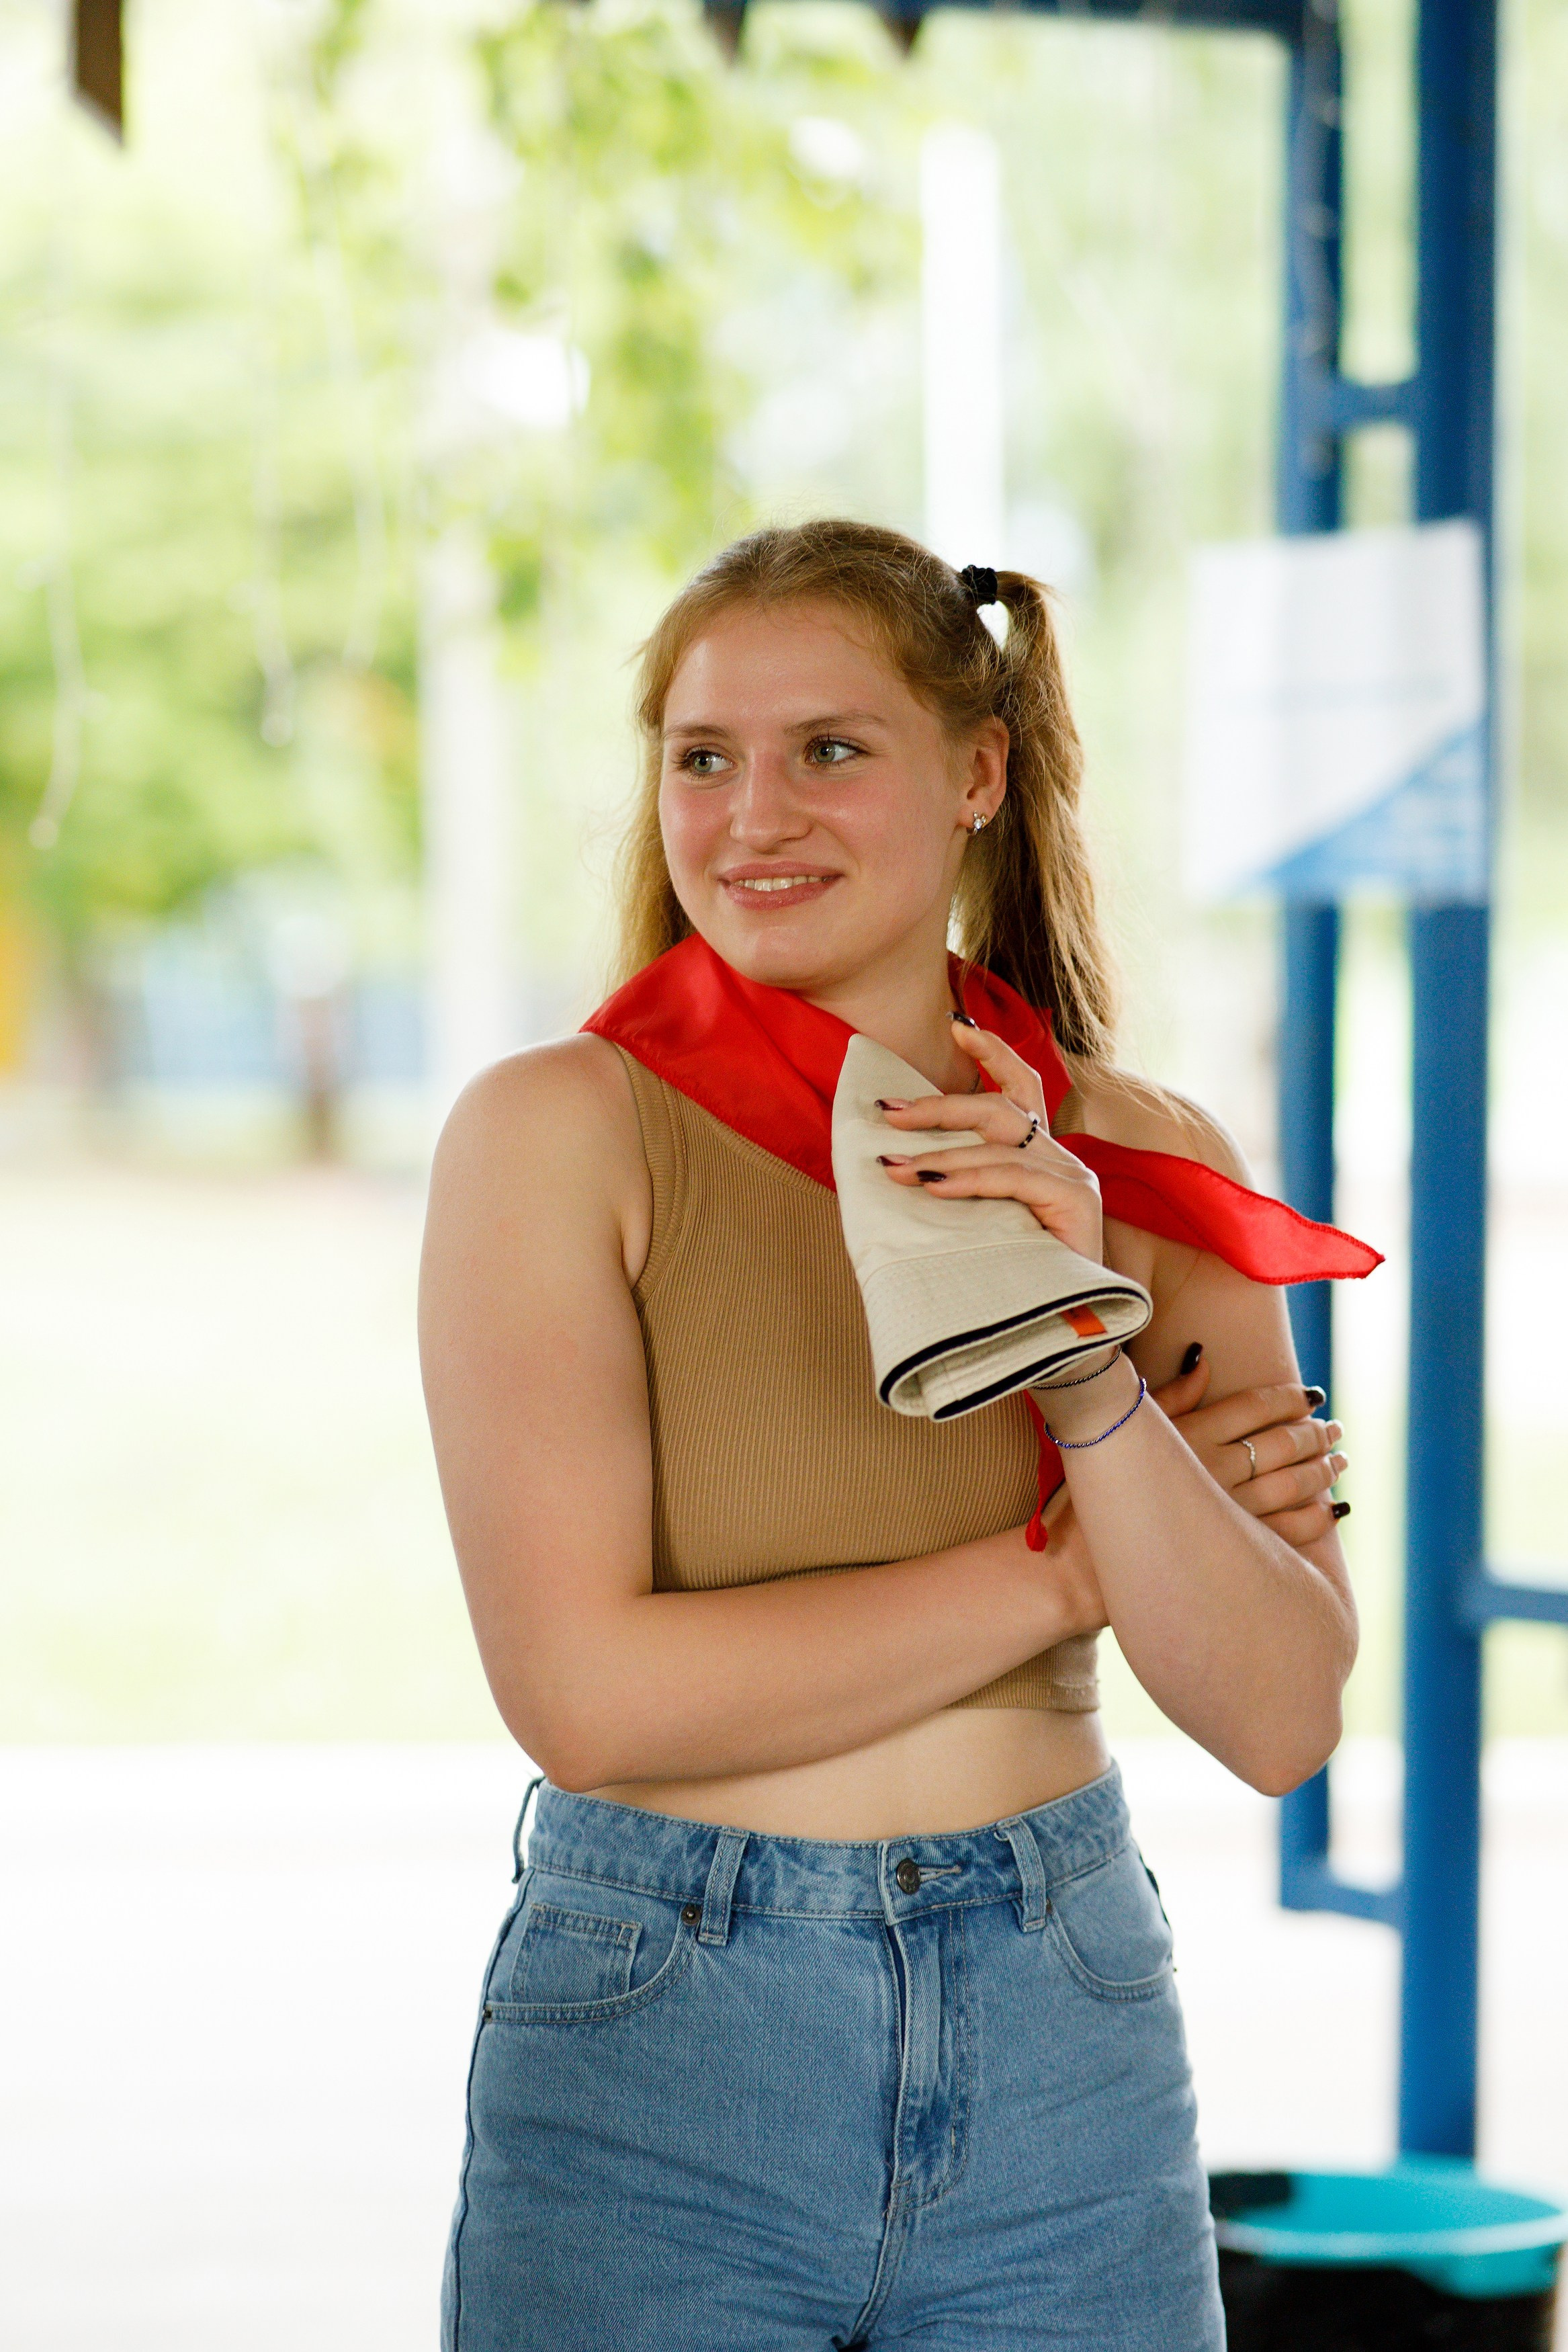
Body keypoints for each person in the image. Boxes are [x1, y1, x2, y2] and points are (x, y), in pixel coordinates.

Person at [419, 520, 1373, 2352]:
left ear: (979, 774)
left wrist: (1084, 1355)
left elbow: (1275, 1713)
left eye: (829, 749)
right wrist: (1084, 1565)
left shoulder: (1149, 1167)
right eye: (705, 756)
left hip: (1063, 2039)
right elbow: (592, 1697)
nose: (751, 813)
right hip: (660, 2045)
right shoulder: (558, 1135)